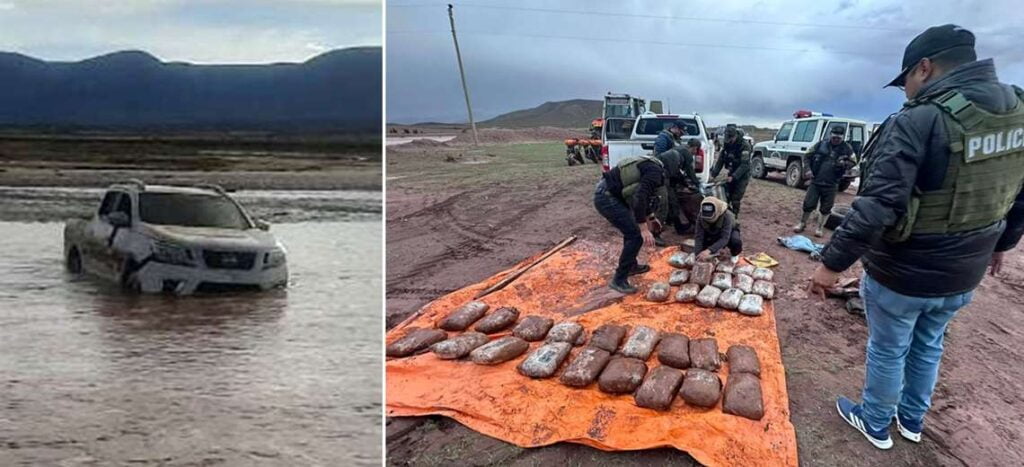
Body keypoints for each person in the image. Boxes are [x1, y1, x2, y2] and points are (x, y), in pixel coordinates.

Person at [808, 24, 1024, 450]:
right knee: (928, 346)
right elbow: (1018, 192)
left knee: (889, 349)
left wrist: (830, 265)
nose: (905, 91)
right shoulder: (1017, 112)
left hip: (905, 272)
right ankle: (911, 420)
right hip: (966, 271)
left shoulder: (921, 118)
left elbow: (876, 205)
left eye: (905, 80)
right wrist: (1002, 244)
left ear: (924, 68)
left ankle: (873, 422)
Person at [594, 154, 668, 294]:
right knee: (636, 236)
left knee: (631, 232)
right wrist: (644, 228)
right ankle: (619, 280)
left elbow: (641, 195)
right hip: (606, 197)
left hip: (608, 193)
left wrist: (650, 217)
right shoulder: (655, 173)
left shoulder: (651, 166)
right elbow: (640, 197)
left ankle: (631, 266)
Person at [794, 125, 856, 236]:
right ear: (830, 135)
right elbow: (807, 156)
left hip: (832, 183)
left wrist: (844, 164)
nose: (836, 138)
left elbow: (854, 161)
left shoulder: (847, 148)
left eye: (839, 137)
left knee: (826, 208)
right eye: (834, 136)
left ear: (842, 137)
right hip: (816, 180)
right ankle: (802, 223)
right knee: (808, 204)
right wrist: (807, 169)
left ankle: (819, 228)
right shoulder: (820, 144)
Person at [710, 124, 752, 217]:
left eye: (730, 139)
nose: (729, 141)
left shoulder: (744, 146)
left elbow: (744, 165)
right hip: (732, 171)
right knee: (726, 194)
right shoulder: (727, 144)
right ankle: (725, 214)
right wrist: (713, 174)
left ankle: (734, 216)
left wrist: (734, 177)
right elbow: (721, 160)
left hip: (742, 175)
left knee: (736, 197)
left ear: (735, 136)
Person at [693, 197, 742, 263]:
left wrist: (709, 250)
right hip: (711, 231)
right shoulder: (700, 216)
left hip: (729, 231)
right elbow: (699, 237)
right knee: (703, 250)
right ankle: (712, 254)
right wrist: (698, 254)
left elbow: (725, 238)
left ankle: (735, 254)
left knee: (735, 241)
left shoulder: (727, 216)